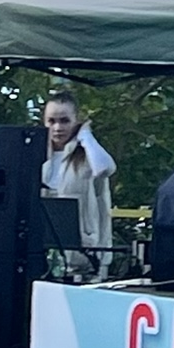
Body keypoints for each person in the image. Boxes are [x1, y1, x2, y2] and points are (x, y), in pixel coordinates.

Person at [39, 91, 117, 278]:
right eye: (51, 121)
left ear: (77, 121)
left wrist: (86, 136)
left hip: (86, 260)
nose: (57, 127)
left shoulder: (88, 156)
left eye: (65, 121)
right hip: (43, 258)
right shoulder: (37, 155)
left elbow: (105, 168)